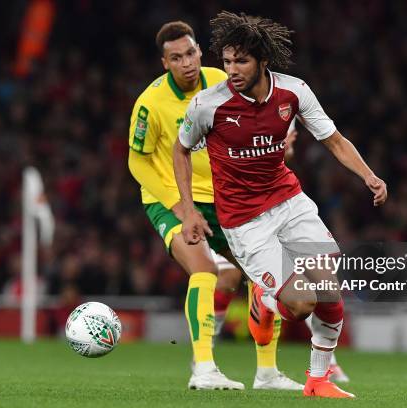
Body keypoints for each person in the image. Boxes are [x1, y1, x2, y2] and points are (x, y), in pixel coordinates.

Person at [173, 12, 387, 398]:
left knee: (329, 289)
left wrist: (369, 176)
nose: (231, 70)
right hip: (244, 221)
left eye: (241, 61)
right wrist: (189, 210)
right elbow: (181, 150)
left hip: (289, 202)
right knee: (302, 303)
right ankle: (267, 299)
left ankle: (317, 380)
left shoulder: (294, 92)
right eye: (226, 61)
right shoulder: (208, 105)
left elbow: (334, 140)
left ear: (262, 61)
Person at [128, 21, 302, 390]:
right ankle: (203, 367)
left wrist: (277, 143)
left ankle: (267, 373)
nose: (187, 63)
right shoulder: (150, 103)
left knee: (262, 272)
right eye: (176, 58)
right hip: (173, 202)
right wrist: (180, 206)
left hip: (226, 196)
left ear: (199, 52)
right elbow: (137, 161)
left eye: (191, 53)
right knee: (204, 268)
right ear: (164, 63)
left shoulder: (222, 83)